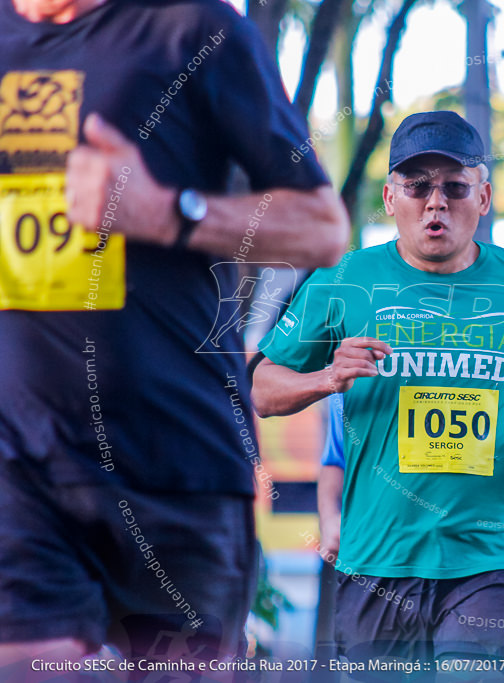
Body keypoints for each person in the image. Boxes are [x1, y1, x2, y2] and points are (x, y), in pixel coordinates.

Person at [0, 0, 348, 674]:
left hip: (178, 468)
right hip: (23, 464)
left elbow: (322, 227)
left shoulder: (193, 29)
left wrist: (165, 211)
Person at [253, 110, 504, 663]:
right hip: (379, 557)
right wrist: (327, 377)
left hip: (489, 554)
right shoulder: (344, 282)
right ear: (389, 199)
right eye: (417, 186)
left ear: (484, 197)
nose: (436, 202)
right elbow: (261, 389)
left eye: (455, 187)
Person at [314, 369, 504, 658]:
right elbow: (335, 461)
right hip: (385, 596)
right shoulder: (363, 371)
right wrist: (330, 520)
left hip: (497, 599)